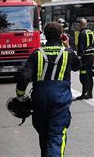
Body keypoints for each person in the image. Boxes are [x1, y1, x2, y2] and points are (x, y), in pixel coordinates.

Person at [15, 22, 81, 156]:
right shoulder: (67, 53)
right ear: (61, 35)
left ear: (44, 35)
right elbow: (77, 66)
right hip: (59, 100)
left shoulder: (36, 54)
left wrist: (20, 96)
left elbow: (24, 78)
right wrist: (69, 46)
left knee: (44, 134)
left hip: (39, 100)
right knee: (56, 135)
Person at [76, 19, 94, 100]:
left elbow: (81, 46)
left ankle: (84, 93)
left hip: (85, 58)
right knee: (90, 75)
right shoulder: (91, 32)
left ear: (80, 25)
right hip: (91, 56)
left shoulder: (82, 33)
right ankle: (90, 93)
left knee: (83, 75)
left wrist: (79, 56)